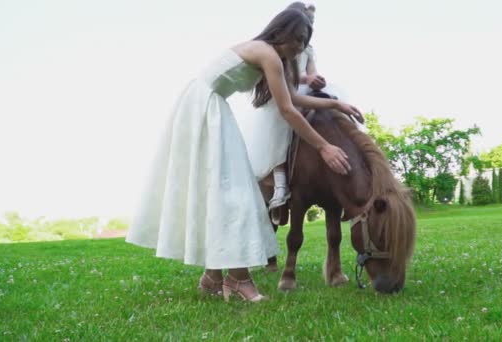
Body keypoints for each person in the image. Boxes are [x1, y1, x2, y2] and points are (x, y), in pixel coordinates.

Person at [125, 9, 363, 303]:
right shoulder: (267, 54)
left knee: (223, 189)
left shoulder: (271, 56)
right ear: (281, 32)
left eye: (306, 42)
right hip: (205, 107)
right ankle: (238, 280)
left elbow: (292, 98)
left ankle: (213, 276)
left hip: (207, 104)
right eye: (298, 39)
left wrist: (336, 106)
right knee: (234, 191)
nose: (300, 47)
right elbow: (288, 110)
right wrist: (323, 147)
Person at [235, 3, 354, 211]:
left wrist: (316, 79)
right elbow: (285, 84)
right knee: (281, 118)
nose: (308, 31)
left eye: (312, 25)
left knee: (327, 113)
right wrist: (306, 79)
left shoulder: (306, 49)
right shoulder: (277, 52)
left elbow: (312, 71)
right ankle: (279, 180)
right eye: (306, 22)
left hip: (300, 91)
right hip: (285, 90)